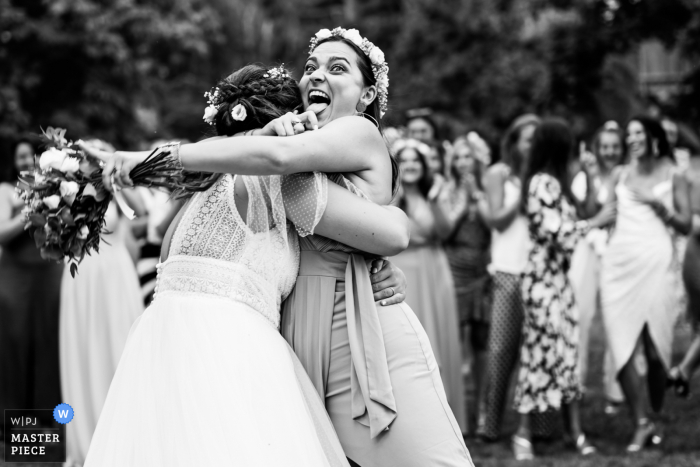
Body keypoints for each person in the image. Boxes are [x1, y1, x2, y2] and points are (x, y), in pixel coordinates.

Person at [84, 26, 473, 466]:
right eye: (311, 68)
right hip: (297, 332)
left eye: (337, 68)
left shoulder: (358, 132)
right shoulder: (297, 149)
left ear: (367, 96)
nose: (317, 76)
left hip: (358, 330)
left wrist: (156, 159)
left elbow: (280, 162)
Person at [512, 118, 614, 460]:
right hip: (541, 282)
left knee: (568, 351)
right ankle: (523, 433)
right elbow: (556, 232)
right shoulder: (542, 183)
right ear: (558, 146)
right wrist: (595, 224)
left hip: (560, 282)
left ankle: (574, 431)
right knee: (539, 351)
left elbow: (577, 216)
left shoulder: (557, 183)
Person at [600, 115, 692, 452]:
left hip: (656, 265)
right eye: (629, 134)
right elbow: (603, 213)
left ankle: (654, 413)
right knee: (621, 344)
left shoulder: (674, 174)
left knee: (655, 352)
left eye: (638, 133)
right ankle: (641, 422)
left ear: (653, 137)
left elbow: (685, 225)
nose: (632, 138)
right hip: (618, 267)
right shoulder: (620, 174)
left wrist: (659, 206)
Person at [59, 142, 146, 467]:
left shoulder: (116, 187)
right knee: (85, 349)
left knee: (118, 346)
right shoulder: (65, 191)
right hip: (81, 276)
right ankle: (87, 437)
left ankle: (126, 434)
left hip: (115, 275)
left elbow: (140, 211)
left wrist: (117, 180)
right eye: (87, 156)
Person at [390, 138, 467, 434]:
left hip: (434, 270)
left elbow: (446, 232)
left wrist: (434, 198)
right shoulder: (390, 194)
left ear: (424, 167)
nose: (410, 165)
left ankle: (444, 417)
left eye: (415, 161)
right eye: (405, 160)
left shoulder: (434, 195)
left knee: (436, 340)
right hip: (403, 268)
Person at [474, 114, 537, 441]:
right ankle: (491, 424)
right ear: (514, 142)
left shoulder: (547, 175)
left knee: (537, 351)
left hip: (539, 274)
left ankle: (539, 426)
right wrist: (524, 192)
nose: (534, 144)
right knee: (500, 350)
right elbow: (497, 221)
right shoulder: (499, 174)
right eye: (528, 138)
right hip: (507, 271)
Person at [0, 138, 63, 431]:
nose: (26, 162)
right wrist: (30, 209)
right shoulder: (4, 191)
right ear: (14, 162)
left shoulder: (57, 188)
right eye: (20, 157)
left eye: (30, 156)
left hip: (49, 272)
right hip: (16, 276)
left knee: (49, 338)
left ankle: (48, 416)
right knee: (15, 340)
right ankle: (11, 419)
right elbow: (2, 234)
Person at [568, 122, 625, 396]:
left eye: (615, 146)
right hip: (587, 250)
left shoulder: (627, 175)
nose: (610, 152)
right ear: (596, 149)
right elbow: (589, 213)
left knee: (617, 317)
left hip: (617, 251)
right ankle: (576, 381)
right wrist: (591, 178)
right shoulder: (582, 178)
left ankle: (616, 387)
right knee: (581, 314)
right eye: (605, 146)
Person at [442, 136, 492, 434]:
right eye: (458, 157)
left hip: (482, 270)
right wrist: (462, 203)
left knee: (482, 344)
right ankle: (458, 410)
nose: (462, 163)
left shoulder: (486, 189)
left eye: (467, 157)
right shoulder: (447, 189)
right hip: (455, 269)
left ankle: (482, 409)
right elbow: (445, 230)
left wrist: (476, 196)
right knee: (458, 345)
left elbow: (491, 225)